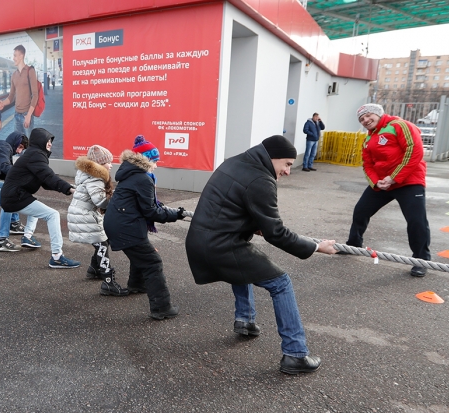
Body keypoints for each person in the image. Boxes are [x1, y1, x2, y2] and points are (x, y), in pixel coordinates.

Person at [185, 135, 337, 375]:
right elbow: (276, 233)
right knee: (281, 282)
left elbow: (230, 205)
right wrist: (316, 247)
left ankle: (245, 320)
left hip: (201, 240)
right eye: (287, 164)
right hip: (221, 246)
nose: (288, 170)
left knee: (244, 268)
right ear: (272, 157)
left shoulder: (234, 162)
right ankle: (295, 354)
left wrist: (251, 224)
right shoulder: (261, 179)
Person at [342, 103, 431, 277]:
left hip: (409, 182)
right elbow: (367, 164)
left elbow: (414, 151)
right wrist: (377, 182)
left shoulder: (399, 125)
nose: (366, 120)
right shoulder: (368, 139)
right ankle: (353, 245)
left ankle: (421, 260)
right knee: (360, 211)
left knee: (416, 221)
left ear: (378, 114)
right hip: (383, 184)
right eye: (362, 119)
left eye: (368, 116)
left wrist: (394, 177)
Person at [103, 135, 186, 320]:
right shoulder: (142, 178)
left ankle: (137, 285)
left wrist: (166, 209)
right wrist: (176, 215)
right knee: (152, 262)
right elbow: (151, 212)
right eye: (154, 161)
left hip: (119, 223)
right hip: (126, 227)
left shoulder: (130, 173)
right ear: (145, 160)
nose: (156, 165)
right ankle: (161, 308)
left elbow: (144, 203)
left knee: (139, 254)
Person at [0, 128, 79, 268]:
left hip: (15, 195)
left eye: (51, 141)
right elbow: (49, 177)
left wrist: (68, 187)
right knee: (53, 215)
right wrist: (70, 189)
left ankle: (27, 236)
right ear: (40, 140)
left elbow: (45, 181)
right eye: (47, 140)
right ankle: (57, 257)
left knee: (37, 208)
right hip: (15, 196)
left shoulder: (34, 154)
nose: (50, 143)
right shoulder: (35, 155)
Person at [67, 145, 128, 296]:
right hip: (85, 215)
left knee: (101, 242)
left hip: (81, 213)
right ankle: (108, 283)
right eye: (108, 162)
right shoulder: (95, 177)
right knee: (101, 244)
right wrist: (116, 198)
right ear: (100, 164)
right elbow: (100, 201)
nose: (111, 165)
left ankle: (94, 269)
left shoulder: (88, 174)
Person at [0, 44, 38, 137]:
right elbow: (11, 96)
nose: (13, 58)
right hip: (16, 116)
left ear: (21, 56)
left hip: (26, 115)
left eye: (15, 55)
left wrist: (29, 116)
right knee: (18, 145)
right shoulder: (14, 75)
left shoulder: (30, 71)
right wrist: (2, 103)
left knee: (28, 145)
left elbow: (35, 95)